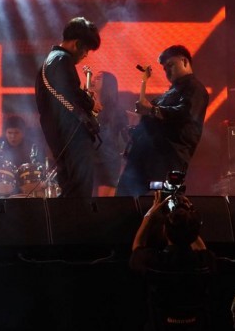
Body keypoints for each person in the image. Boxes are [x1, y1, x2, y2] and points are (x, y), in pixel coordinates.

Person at [117, 45, 209, 197]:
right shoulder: (169, 93)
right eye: (165, 68)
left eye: (170, 65)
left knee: (157, 202)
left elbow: (186, 113)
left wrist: (152, 110)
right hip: (146, 160)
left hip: (165, 161)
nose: (167, 71)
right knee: (125, 201)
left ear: (184, 61)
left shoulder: (195, 88)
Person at [35, 17, 102, 198]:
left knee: (71, 185)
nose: (86, 54)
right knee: (79, 187)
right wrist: (91, 103)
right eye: (86, 49)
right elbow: (69, 91)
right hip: (71, 134)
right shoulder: (62, 60)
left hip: (60, 134)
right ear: (76, 44)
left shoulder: (51, 61)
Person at [130, 191, 216, 331]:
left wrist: (150, 215)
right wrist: (188, 215)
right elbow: (201, 249)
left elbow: (137, 247)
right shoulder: (204, 263)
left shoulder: (156, 263)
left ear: (165, 231)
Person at [91, 71, 128, 196]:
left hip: (108, 162)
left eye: (98, 78)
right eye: (94, 77)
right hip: (89, 161)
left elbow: (126, 138)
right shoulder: (87, 107)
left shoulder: (116, 110)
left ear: (108, 84)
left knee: (103, 202)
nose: (93, 80)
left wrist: (124, 163)